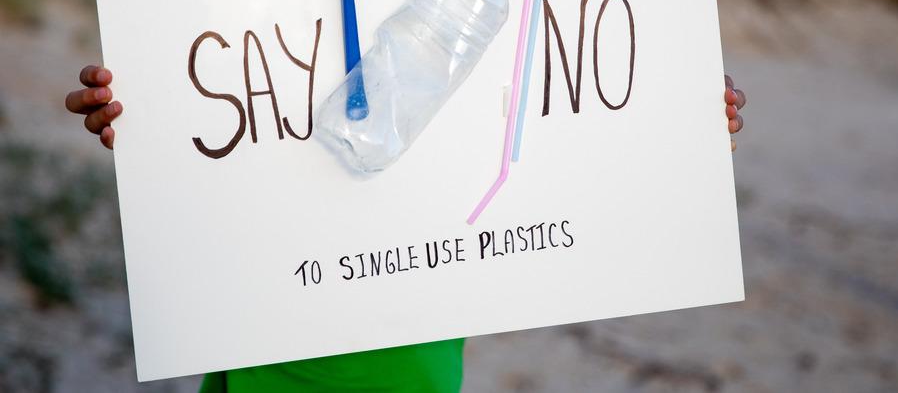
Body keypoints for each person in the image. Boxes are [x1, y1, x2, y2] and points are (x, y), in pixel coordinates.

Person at [65, 65, 747, 392]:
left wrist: (674, 131)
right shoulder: (270, 81)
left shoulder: (457, 100)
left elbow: (563, 164)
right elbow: (198, 167)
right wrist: (141, 118)